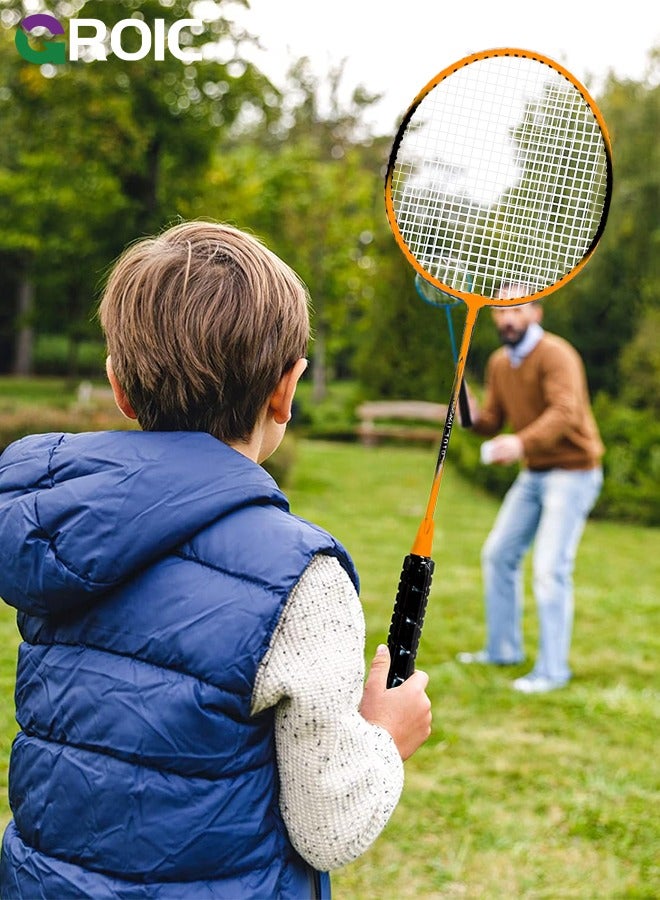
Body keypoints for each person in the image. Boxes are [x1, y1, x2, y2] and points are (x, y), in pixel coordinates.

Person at [0, 221, 432, 898]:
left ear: (119, 386)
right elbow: (329, 827)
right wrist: (384, 735)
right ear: (286, 391)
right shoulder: (300, 578)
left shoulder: (53, 527)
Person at [457, 282, 604, 694]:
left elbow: (565, 412)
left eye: (517, 309)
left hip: (574, 471)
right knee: (499, 554)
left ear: (536, 313)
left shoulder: (556, 354)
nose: (508, 317)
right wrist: (465, 407)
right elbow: (490, 421)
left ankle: (552, 671)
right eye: (501, 311)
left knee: (549, 568)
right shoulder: (500, 363)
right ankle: (503, 648)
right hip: (535, 472)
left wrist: (520, 443)